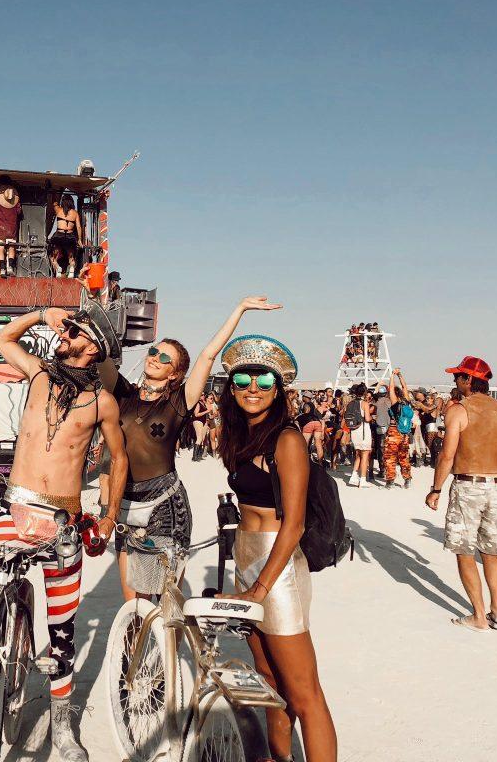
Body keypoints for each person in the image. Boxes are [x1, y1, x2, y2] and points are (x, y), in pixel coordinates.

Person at [0, 301, 127, 762]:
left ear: (94, 347)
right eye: (70, 328)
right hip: (14, 511)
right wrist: (43, 315)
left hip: (63, 521)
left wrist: (106, 515)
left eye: (77, 331)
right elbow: (3, 340)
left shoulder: (103, 402)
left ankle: (62, 726)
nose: (67, 334)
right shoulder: (39, 374)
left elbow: (117, 459)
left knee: (61, 628)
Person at [99, 296, 280, 602]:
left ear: (175, 374)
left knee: (166, 603)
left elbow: (208, 356)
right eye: (154, 351)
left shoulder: (178, 403)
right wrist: (91, 309)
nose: (154, 357)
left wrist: (239, 309)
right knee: (133, 605)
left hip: (165, 506)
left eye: (164, 358)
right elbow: (100, 354)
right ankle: (135, 651)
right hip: (125, 505)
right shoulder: (123, 394)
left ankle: (171, 646)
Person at [215, 334, 337, 762]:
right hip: (248, 556)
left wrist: (260, 589)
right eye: (243, 378)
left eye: (264, 380)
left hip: (278, 569)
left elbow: (295, 523)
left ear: (278, 388)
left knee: (305, 695)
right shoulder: (242, 435)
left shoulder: (286, 439)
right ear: (230, 387)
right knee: (268, 682)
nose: (253, 387)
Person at [426, 356, 497, 632]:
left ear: (468, 380)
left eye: (457, 377)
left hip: (468, 485)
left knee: (464, 551)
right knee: (491, 552)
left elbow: (447, 455)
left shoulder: (459, 410)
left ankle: (479, 615)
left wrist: (435, 489)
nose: (454, 382)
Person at [383, 369, 414, 489]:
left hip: (394, 432)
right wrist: (400, 375)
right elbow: (405, 387)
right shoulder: (407, 403)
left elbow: (391, 388)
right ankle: (407, 479)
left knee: (390, 457)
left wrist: (392, 376)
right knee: (404, 457)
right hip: (405, 433)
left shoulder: (395, 404)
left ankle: (390, 481)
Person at [0, 178, 21, 278]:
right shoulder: (16, 203)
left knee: (0, 248)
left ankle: (2, 268)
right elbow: (19, 212)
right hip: (11, 228)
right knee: (11, 247)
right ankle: (10, 267)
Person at [346, 384, 374, 487]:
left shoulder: (350, 403)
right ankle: (362, 480)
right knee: (365, 455)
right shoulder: (365, 403)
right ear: (364, 393)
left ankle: (353, 476)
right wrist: (372, 417)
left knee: (358, 454)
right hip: (363, 431)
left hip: (354, 431)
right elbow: (367, 419)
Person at [49, 193, 82, 278]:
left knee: (53, 257)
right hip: (70, 237)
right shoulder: (75, 213)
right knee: (71, 257)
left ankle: (57, 268)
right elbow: (78, 227)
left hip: (58, 236)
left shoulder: (58, 210)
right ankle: (71, 270)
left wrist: (54, 191)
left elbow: (54, 203)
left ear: (63, 202)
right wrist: (79, 240)